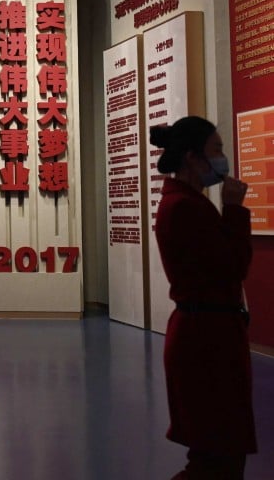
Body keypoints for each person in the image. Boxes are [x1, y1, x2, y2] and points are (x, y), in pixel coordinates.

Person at [149, 116, 255, 479]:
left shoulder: (188, 203)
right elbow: (233, 265)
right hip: (205, 342)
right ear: (193, 157)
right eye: (217, 150)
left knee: (221, 453)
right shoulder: (184, 208)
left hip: (209, 334)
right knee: (216, 459)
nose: (223, 158)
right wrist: (235, 210)